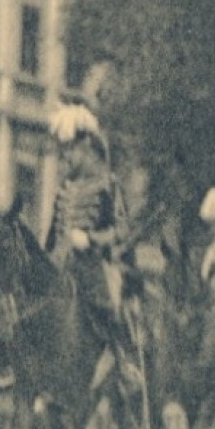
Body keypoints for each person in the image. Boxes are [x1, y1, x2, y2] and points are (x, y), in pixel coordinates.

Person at [46, 97, 137, 375]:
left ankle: (124, 364)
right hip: (62, 268)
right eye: (62, 153)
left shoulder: (108, 185)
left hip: (97, 266)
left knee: (107, 306)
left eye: (69, 152)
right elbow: (51, 238)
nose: (65, 159)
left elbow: (123, 231)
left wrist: (92, 239)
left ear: (85, 147)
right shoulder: (64, 189)